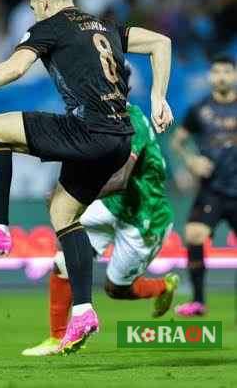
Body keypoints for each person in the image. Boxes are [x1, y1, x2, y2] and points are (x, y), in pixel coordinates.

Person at [0, 0, 173, 354]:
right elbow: (161, 42)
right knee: (62, 213)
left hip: (88, 130)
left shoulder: (49, 27)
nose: (34, 14)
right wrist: (159, 98)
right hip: (118, 139)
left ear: (42, 4)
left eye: (33, 9)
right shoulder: (103, 26)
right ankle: (84, 311)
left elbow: (14, 68)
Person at [22, 103, 178, 356]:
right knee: (63, 257)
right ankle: (57, 337)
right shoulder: (93, 115)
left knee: (116, 289)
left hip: (145, 215)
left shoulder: (130, 120)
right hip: (110, 205)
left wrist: (65, 195)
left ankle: (164, 286)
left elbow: (121, 179)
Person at [171, 55, 236, 317]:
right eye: (216, 72)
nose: (221, 76)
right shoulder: (198, 109)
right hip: (212, 190)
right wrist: (191, 161)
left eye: (226, 72)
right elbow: (178, 141)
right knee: (194, 234)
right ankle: (198, 301)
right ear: (210, 76)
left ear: (233, 76)